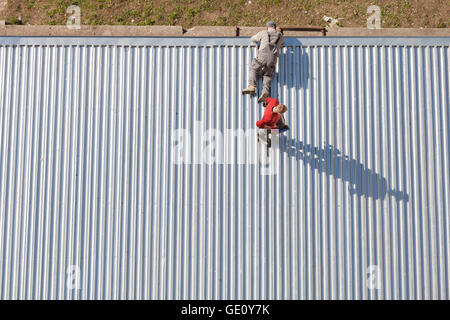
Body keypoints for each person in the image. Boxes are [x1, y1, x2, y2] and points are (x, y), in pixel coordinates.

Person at [242, 21, 284, 103]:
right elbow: (282, 43)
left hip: (263, 56)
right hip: (273, 58)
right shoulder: (280, 36)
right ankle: (265, 91)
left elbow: (253, 38)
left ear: (267, 27)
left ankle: (252, 86)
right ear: (275, 27)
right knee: (267, 75)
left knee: (254, 67)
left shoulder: (264, 32)